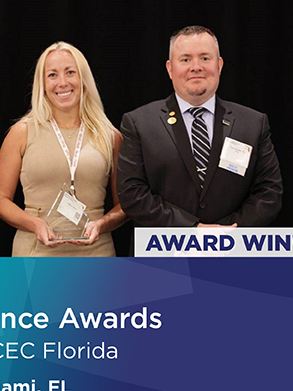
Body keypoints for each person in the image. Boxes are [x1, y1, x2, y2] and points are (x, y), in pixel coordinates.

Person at [117, 26, 282, 238]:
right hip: (163, 256)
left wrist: (224, 234)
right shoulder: (139, 123)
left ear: (219, 65)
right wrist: (192, 230)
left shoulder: (253, 123)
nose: (196, 67)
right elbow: (132, 194)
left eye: (205, 58)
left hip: (232, 253)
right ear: (169, 68)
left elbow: (269, 194)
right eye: (185, 60)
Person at [0, 42, 126, 257]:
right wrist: (34, 224)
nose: (62, 83)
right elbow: (0, 202)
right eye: (52, 75)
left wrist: (101, 224)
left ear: (83, 79)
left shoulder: (111, 136)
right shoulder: (21, 132)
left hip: (96, 253)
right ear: (42, 84)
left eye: (70, 72)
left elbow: (124, 206)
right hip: (35, 252)